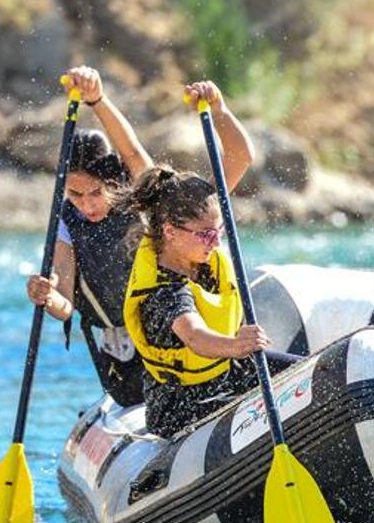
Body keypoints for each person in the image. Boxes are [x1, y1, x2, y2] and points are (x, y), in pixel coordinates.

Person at [26, 68, 255, 408]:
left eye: (95, 193)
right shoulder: (66, 224)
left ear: (115, 182)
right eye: (75, 195)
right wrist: (45, 296)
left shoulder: (149, 201)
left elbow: (132, 151)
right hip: (125, 351)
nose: (87, 205)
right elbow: (65, 306)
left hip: (192, 333)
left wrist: (97, 101)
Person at [120, 165, 304, 438]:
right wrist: (235, 345)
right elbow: (194, 336)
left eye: (219, 231)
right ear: (170, 232)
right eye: (206, 234)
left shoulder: (200, 257)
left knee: (313, 373)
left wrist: (218, 118)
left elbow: (241, 156)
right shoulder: (164, 290)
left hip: (228, 375)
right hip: (182, 404)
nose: (216, 243)